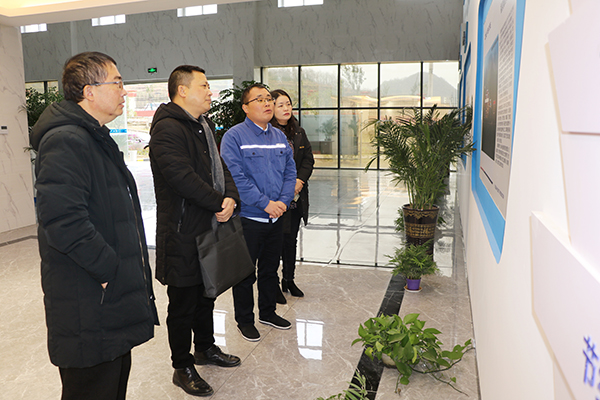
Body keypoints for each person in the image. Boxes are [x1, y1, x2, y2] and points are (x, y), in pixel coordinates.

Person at [29, 51, 159, 400]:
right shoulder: (66, 141)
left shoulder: (94, 136)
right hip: (88, 297)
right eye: (116, 82)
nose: (124, 91)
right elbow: (62, 220)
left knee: (112, 383)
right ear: (89, 92)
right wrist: (108, 270)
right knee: (92, 387)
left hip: (106, 297)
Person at [148, 65, 241, 397]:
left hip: (207, 227)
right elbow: (181, 177)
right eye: (203, 86)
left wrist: (231, 197)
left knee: (206, 295)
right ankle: (182, 366)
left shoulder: (203, 124)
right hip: (182, 231)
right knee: (183, 304)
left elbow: (220, 166)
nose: (209, 92)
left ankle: (205, 347)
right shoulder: (168, 128)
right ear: (182, 90)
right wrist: (219, 201)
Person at [220, 83, 297, 342]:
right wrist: (265, 203)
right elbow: (235, 177)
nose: (267, 103)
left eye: (268, 99)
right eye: (260, 99)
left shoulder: (279, 137)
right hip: (248, 218)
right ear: (245, 107)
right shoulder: (234, 137)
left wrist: (283, 202)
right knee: (244, 273)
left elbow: (290, 172)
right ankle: (245, 320)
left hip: (276, 217)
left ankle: (268, 312)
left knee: (269, 269)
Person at [270, 89, 314, 302]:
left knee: (290, 240)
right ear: (271, 108)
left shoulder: (299, 132)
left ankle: (289, 279)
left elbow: (308, 160)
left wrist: (299, 181)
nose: (286, 108)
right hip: (276, 198)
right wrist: (286, 186)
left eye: (288, 104)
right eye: (281, 105)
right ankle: (273, 285)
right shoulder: (267, 132)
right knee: (274, 242)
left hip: (296, 198)